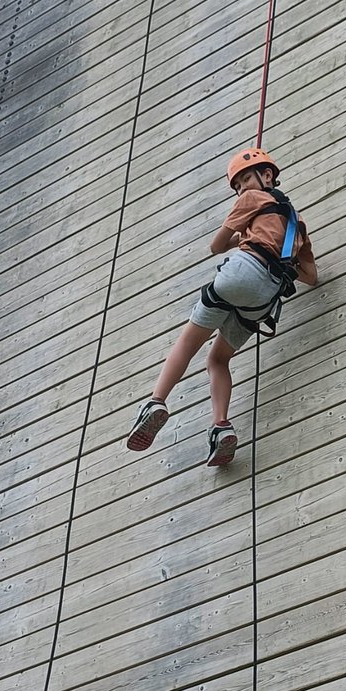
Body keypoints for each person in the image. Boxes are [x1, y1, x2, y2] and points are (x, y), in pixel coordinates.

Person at [126, 147, 317, 467]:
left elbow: (216, 246)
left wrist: (246, 235)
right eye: (238, 185)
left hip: (242, 271)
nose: (242, 189)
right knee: (218, 359)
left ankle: (156, 403)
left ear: (267, 176)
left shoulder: (251, 200)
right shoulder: (298, 225)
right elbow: (311, 277)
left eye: (245, 179)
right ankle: (221, 428)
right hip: (264, 296)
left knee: (188, 342)